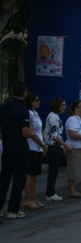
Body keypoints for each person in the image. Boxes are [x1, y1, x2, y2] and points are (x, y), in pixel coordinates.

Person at [0, 81, 34, 219]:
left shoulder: (3, 107)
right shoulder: (23, 110)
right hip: (20, 148)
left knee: (4, 179)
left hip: (7, 147)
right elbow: (25, 133)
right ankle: (13, 209)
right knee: (19, 179)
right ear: (24, 93)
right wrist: (32, 132)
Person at [44, 97, 73, 202]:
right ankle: (50, 193)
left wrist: (61, 146)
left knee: (54, 170)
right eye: (62, 105)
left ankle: (50, 192)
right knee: (53, 171)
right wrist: (65, 145)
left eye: (65, 105)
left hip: (55, 146)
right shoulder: (54, 118)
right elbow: (55, 135)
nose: (64, 107)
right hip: (53, 146)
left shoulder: (53, 116)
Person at [23, 93, 48, 210]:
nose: (39, 102)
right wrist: (41, 143)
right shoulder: (28, 113)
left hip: (38, 147)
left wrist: (43, 144)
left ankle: (33, 198)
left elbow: (40, 130)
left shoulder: (36, 113)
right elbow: (31, 132)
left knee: (35, 174)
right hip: (32, 146)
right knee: (30, 174)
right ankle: (28, 200)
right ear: (31, 101)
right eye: (36, 100)